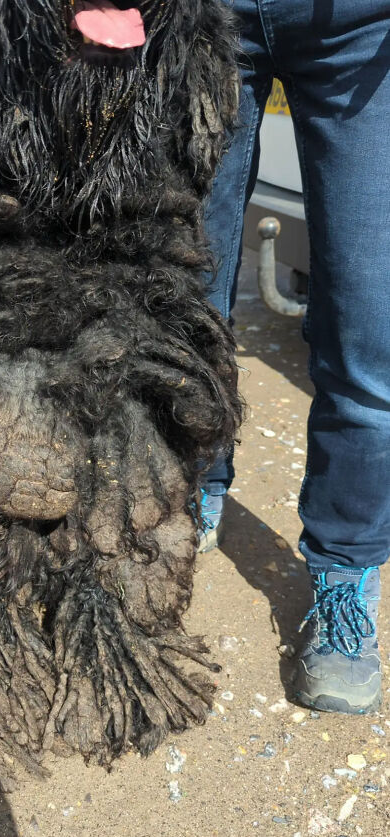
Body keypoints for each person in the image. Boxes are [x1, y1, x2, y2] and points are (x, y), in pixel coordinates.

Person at [199, 0, 390, 714]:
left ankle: (344, 572)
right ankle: (191, 481)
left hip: (363, 26)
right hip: (204, 14)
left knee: (372, 330)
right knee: (182, 293)